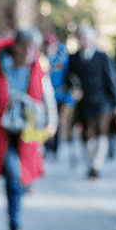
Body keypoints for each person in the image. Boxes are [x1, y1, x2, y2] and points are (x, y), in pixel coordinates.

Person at [0, 27, 57, 230]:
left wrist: (52, 122)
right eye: (26, 47)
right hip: (2, 132)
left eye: (34, 47)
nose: (30, 52)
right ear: (16, 46)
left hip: (27, 132)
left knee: (24, 177)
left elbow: (47, 95)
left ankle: (15, 214)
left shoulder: (36, 68)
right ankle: (15, 223)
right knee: (14, 176)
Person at [64, 25, 116, 178]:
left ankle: (97, 164)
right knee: (86, 134)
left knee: (102, 130)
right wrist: (73, 89)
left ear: (92, 38)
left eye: (87, 37)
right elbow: (68, 79)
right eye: (81, 37)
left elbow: (112, 79)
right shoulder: (73, 59)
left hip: (103, 101)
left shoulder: (102, 57)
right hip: (84, 103)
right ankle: (91, 164)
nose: (84, 40)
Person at [42, 33, 74, 161]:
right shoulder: (41, 59)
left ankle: (55, 148)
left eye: (52, 45)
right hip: (44, 97)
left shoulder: (62, 59)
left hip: (59, 96)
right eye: (48, 45)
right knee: (44, 121)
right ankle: (46, 146)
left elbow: (69, 78)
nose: (50, 47)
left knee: (58, 122)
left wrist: (69, 98)